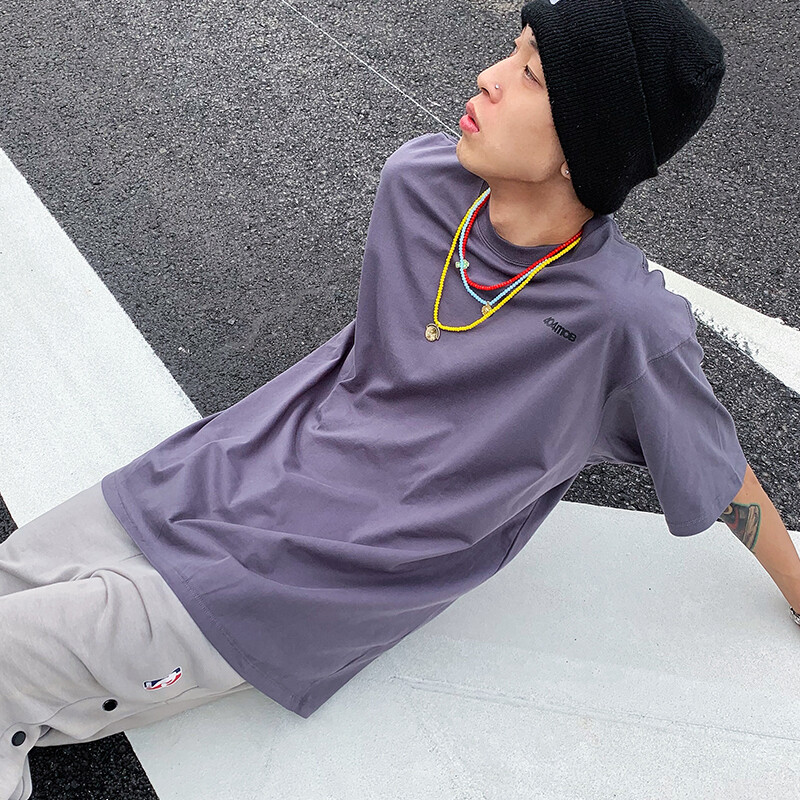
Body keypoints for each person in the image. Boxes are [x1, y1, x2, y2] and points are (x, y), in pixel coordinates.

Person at [3, 0, 799, 798]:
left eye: (529, 75)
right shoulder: (420, 179)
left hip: (302, 583)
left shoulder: (623, 321)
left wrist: (797, 589)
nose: (487, 79)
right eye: (512, 51)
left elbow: (714, 468)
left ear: (587, 144)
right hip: (214, 471)